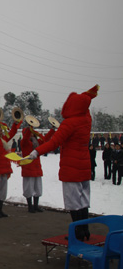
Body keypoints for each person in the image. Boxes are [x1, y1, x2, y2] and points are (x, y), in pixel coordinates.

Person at [27, 85, 99, 241]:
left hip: (70, 168)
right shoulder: (86, 119)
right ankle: (85, 230)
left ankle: (77, 232)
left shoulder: (70, 123)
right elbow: (84, 106)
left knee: (73, 202)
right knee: (84, 200)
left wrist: (36, 151)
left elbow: (54, 143)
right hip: (84, 166)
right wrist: (87, 97)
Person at [20, 126, 54, 213]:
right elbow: (26, 137)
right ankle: (30, 206)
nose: (32, 134)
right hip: (28, 169)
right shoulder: (24, 142)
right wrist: (30, 127)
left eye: (32, 133)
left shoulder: (36, 143)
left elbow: (45, 139)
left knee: (37, 188)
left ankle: (35, 206)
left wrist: (52, 130)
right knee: (29, 189)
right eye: (30, 133)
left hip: (37, 169)